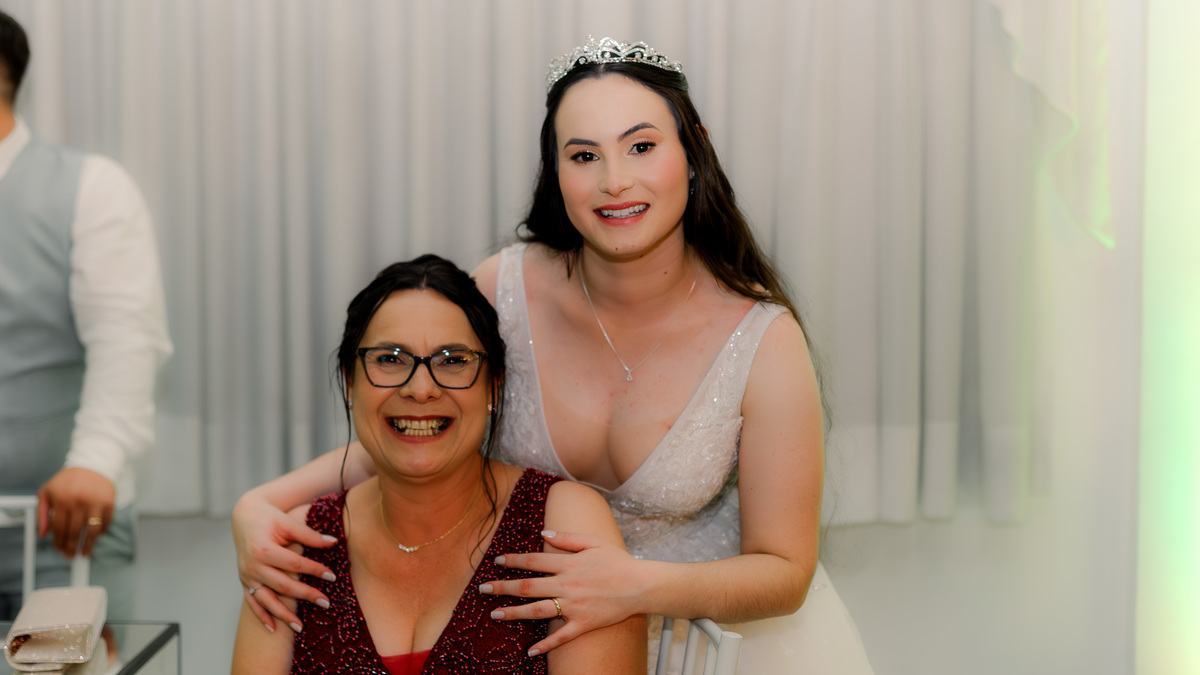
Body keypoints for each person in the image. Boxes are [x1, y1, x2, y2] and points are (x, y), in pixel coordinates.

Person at [233, 37, 874, 672]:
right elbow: (423, 420)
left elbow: (784, 570)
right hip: (537, 636)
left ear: (693, 150)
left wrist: (631, 586)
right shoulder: (504, 290)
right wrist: (259, 505)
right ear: (556, 171)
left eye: (642, 146)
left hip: (712, 636)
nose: (614, 181)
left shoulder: (763, 339)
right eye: (584, 155)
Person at [231, 255, 645, 673]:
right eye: (390, 358)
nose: (420, 388)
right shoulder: (293, 549)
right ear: (350, 381)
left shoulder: (560, 525)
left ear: (494, 386)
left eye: (452, 360)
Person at [0, 10, 172, 620]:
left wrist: (92, 463)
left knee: (77, 659)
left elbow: (126, 339)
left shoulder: (91, 187)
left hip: (62, 531)